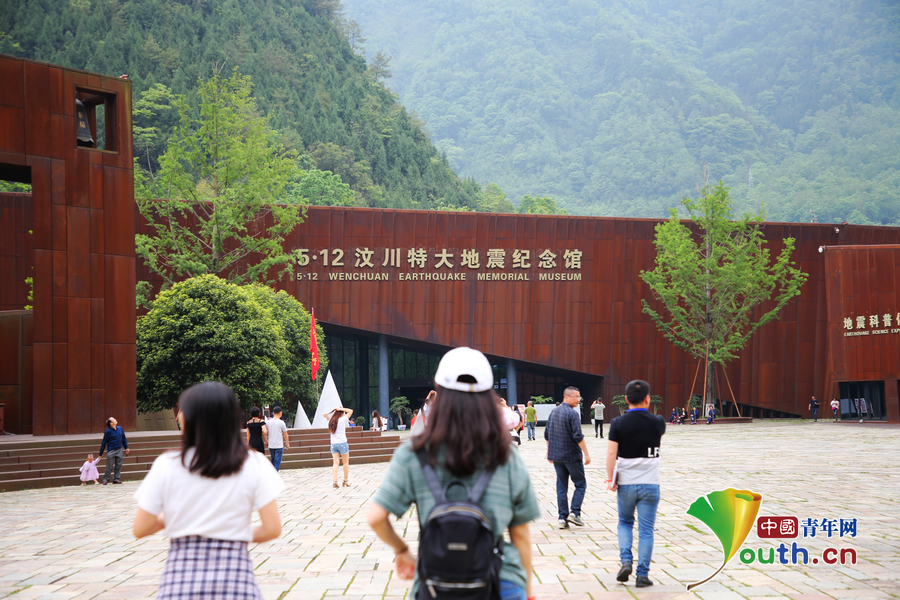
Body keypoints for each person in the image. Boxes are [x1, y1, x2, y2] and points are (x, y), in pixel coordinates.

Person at [366, 346, 540, 600]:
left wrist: (402, 550)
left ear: (439, 391)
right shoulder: (506, 455)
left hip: (436, 582)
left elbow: (375, 518)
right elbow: (521, 533)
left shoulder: (414, 454)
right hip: (501, 582)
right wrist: (528, 592)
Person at [133, 381, 284, 600]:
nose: (178, 416)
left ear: (190, 417)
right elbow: (272, 528)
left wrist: (179, 515)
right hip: (236, 582)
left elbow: (141, 527)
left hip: (180, 584)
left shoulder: (167, 464)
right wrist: (231, 532)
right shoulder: (254, 463)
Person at [606, 379, 666, 588]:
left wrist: (610, 478)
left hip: (626, 484)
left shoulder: (617, 423)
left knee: (625, 522)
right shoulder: (658, 422)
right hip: (650, 483)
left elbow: (611, 454)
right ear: (647, 399)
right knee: (646, 530)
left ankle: (625, 561)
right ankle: (642, 575)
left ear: (626, 399)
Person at [545, 386, 590, 529]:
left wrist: (549, 450)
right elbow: (578, 436)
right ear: (566, 397)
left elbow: (547, 435)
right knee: (580, 484)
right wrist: (587, 454)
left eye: (579, 397)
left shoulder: (554, 412)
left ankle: (562, 518)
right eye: (576, 396)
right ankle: (574, 513)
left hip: (557, 457)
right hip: (572, 456)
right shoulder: (573, 414)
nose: (579, 399)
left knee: (561, 486)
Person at [328, 406, 353, 488]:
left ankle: (335, 480)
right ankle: (345, 480)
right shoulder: (342, 420)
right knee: (345, 463)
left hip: (333, 444)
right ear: (341, 413)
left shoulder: (332, 421)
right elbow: (350, 411)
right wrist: (341, 409)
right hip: (342, 443)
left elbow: (329, 419)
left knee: (335, 463)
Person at [99, 416, 129, 484]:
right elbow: (104, 442)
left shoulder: (120, 428)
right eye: (114, 420)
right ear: (111, 423)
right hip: (111, 450)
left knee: (119, 465)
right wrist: (101, 453)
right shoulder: (108, 431)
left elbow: (124, 438)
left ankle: (116, 479)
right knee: (109, 465)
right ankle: (106, 480)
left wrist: (126, 447)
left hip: (119, 449)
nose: (116, 420)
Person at [266, 406, 290, 471]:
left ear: (273, 413)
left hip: (271, 445)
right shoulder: (281, 422)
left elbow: (265, 432)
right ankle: (275, 475)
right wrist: (287, 442)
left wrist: (266, 441)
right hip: (279, 445)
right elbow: (285, 434)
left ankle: (272, 473)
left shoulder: (268, 422)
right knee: (277, 462)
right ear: (280, 413)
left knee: (273, 460)